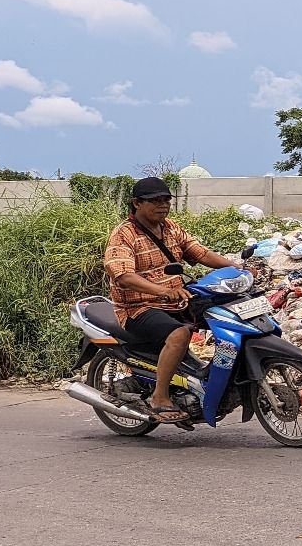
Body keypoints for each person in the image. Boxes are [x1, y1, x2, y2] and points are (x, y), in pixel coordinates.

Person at [102, 177, 238, 425]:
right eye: (155, 200)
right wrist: (161, 291)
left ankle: (213, 380)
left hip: (177, 301)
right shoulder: (123, 235)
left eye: (166, 199)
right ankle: (160, 397)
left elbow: (202, 254)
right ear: (137, 203)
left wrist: (237, 268)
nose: (162, 205)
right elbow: (123, 275)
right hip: (138, 307)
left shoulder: (171, 228)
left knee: (228, 316)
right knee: (178, 334)